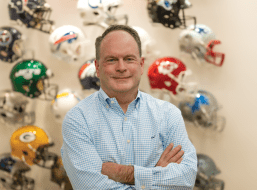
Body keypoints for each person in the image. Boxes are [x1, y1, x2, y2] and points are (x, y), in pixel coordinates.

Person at [61, 25, 197, 189]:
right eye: (111, 60)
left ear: (141, 65)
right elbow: (91, 187)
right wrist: (156, 174)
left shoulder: (168, 115)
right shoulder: (78, 120)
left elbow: (185, 179)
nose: (121, 67)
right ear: (97, 67)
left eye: (129, 59)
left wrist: (121, 172)